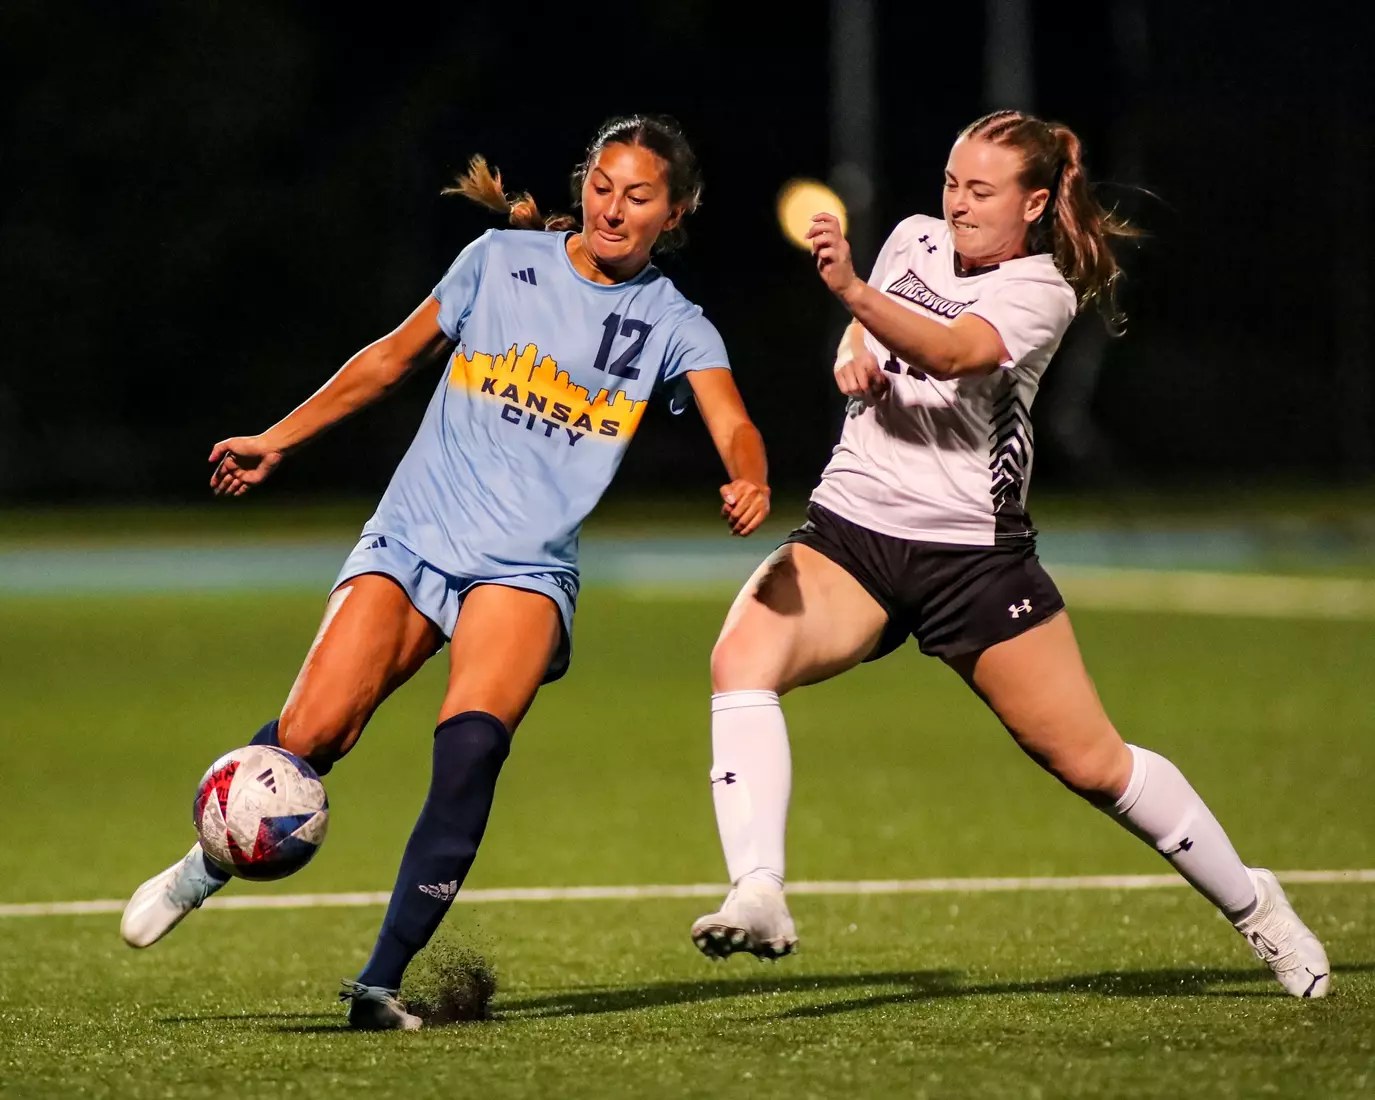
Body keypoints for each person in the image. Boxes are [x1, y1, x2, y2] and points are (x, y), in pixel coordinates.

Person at [119, 115, 772, 1028]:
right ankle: (205, 866)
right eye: (603, 185)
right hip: (415, 535)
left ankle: (378, 985)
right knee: (310, 736)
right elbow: (389, 360)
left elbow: (729, 416)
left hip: (525, 568)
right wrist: (278, 440)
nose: (614, 208)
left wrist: (747, 471)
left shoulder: (672, 321)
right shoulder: (499, 259)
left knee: (469, 750)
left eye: (639, 196)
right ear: (583, 183)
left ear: (676, 212)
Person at [690, 110, 1330, 1000]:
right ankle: (758, 889)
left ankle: (1255, 907)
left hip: (970, 562)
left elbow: (954, 352)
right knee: (740, 658)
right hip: (853, 531)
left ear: (1033, 203)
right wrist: (851, 350)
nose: (956, 204)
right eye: (952, 182)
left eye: (981, 191)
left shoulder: (1043, 290)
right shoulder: (912, 238)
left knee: (1092, 764)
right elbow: (874, 337)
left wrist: (852, 299)